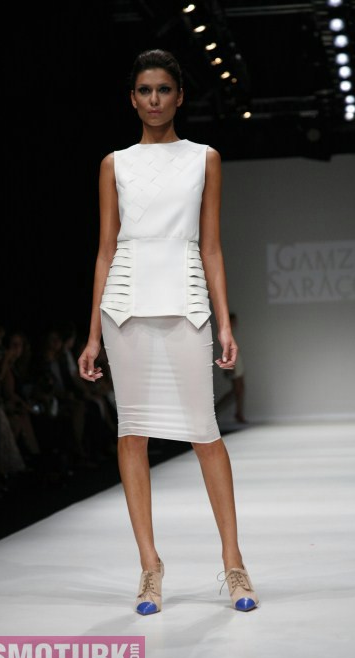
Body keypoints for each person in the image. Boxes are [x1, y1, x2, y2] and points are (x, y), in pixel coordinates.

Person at [78, 48, 259, 615]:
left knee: (204, 431)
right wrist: (92, 335)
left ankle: (234, 563)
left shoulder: (205, 158)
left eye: (163, 89)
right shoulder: (114, 164)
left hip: (186, 298)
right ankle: (149, 566)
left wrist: (224, 322)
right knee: (132, 433)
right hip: (125, 303)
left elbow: (212, 247)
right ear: (132, 99)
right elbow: (105, 250)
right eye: (144, 90)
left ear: (179, 97)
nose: (154, 99)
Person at [215, 312, 248, 425]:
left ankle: (238, 413)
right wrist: (229, 366)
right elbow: (226, 350)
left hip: (236, 361)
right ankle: (217, 409)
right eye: (233, 321)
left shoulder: (229, 333)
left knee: (240, 389)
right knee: (237, 390)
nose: (235, 323)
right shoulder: (226, 334)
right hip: (233, 362)